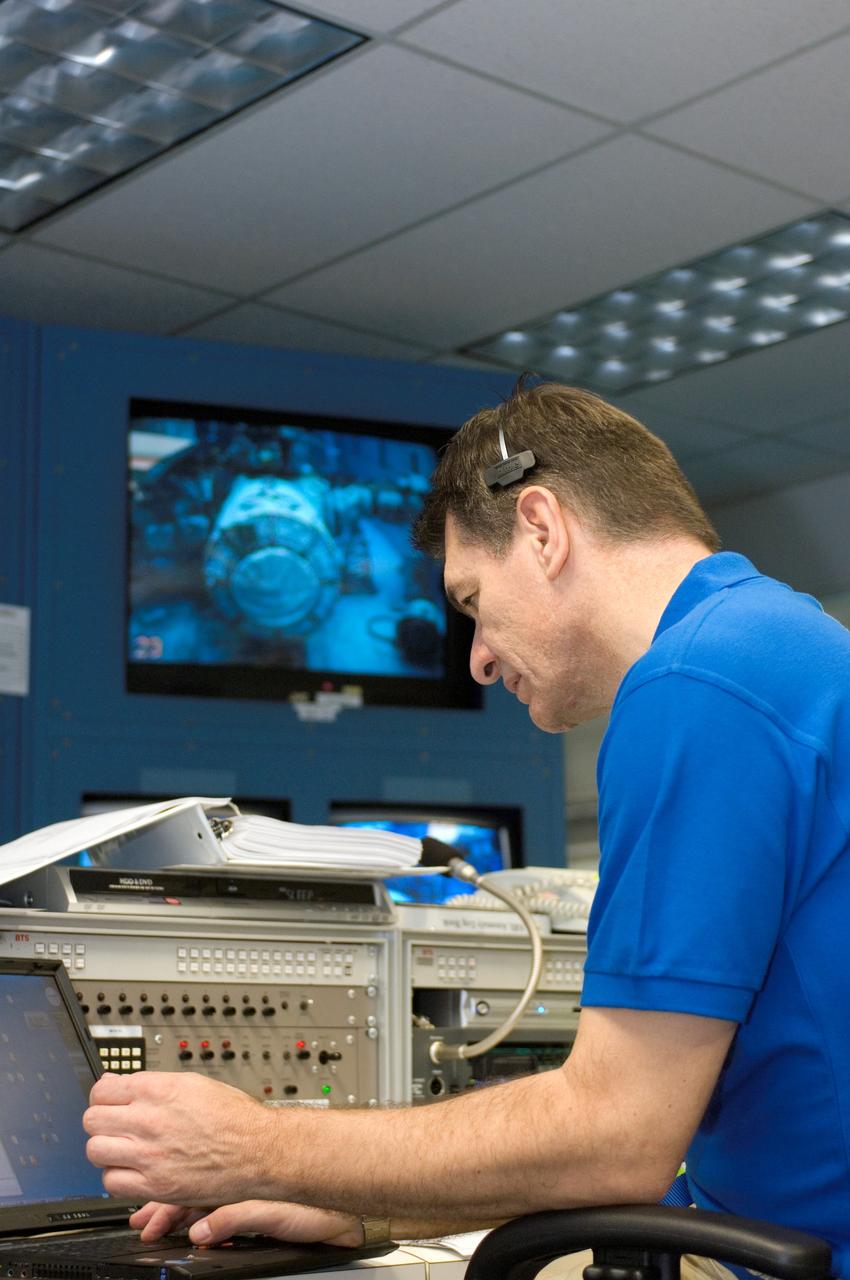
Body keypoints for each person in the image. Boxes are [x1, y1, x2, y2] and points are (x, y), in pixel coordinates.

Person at [83, 380, 850, 1278]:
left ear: (542, 528)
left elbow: (616, 1136)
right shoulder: (780, 646)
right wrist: (363, 1193)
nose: (480, 657)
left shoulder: (693, 688)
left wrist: (257, 1145)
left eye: (474, 599)